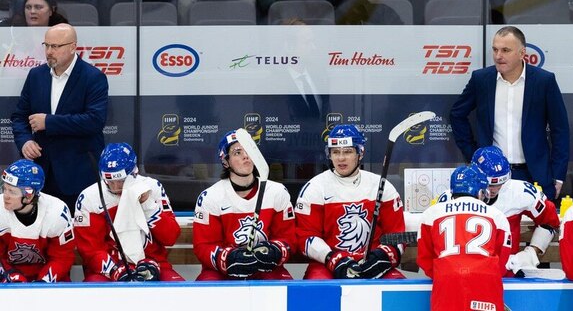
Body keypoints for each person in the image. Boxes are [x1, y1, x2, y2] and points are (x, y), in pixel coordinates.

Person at [450, 25, 569, 198]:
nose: (498, 56)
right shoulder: (481, 79)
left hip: (535, 175)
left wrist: (557, 174)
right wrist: (475, 156)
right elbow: (457, 114)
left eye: (505, 50)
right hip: (490, 178)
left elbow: (560, 129)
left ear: (522, 53)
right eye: (495, 49)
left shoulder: (544, 81)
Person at [10, 24, 109, 210]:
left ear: (73, 47)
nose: (49, 51)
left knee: (78, 235)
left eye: (55, 46)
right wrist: (25, 142)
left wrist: (49, 122)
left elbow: (94, 121)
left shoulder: (93, 77)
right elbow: (19, 117)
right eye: (46, 45)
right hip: (42, 175)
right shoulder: (36, 75)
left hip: (78, 175)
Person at [295, 124, 407, 279]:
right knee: (318, 287)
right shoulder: (315, 188)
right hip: (328, 265)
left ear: (360, 153)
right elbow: (306, 237)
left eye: (347, 152)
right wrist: (332, 258)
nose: (341, 158)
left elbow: (397, 235)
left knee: (397, 288)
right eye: (335, 152)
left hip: (371, 263)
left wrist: (383, 256)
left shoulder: (381, 186)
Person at [193, 130, 295, 280]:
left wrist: (275, 251)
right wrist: (228, 258)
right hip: (224, 271)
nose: (246, 156)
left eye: (248, 150)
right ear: (225, 161)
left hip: (266, 268)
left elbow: (288, 238)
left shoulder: (277, 192)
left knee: (285, 285)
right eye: (237, 152)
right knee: (206, 285)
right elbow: (203, 246)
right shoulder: (211, 197)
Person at [74, 142, 183, 281]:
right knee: (92, 294)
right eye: (109, 181)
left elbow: (170, 237)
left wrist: (148, 204)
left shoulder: (152, 187)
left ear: (134, 173)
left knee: (180, 290)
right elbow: (91, 250)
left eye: (121, 181)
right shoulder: (89, 198)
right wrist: (114, 270)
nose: (115, 187)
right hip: (107, 270)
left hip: (155, 265)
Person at [445, 146, 560, 275]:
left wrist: (531, 253)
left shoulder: (521, 192)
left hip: (506, 274)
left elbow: (550, 221)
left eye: (500, 183)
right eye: (489, 184)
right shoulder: (453, 196)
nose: (494, 189)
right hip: (463, 272)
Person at [417, 165, 511, 311]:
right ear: (481, 191)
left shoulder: (431, 214)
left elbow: (424, 259)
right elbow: (502, 262)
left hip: (447, 280)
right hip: (485, 280)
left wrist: (445, 272)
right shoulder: (497, 215)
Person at [0, 159, 75, 282]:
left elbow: (63, 257)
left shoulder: (56, 211)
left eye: (12, 192)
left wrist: (43, 282)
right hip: (8, 276)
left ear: (29, 196)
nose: (6, 196)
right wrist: (10, 275)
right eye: (5, 189)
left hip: (48, 277)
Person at [0, 0, 69, 27]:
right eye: (28, 7)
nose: (32, 11)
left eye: (38, 7)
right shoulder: (9, 29)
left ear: (51, 10)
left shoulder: (63, 32)